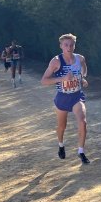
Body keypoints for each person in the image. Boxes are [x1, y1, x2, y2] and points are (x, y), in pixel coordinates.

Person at [41, 33, 90, 164]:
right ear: (61, 46)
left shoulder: (80, 58)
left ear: (74, 45)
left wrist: (83, 78)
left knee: (82, 122)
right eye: (66, 45)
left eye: (71, 45)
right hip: (62, 97)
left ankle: (81, 151)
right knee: (62, 126)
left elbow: (84, 70)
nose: (69, 47)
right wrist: (61, 78)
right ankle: (61, 145)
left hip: (76, 96)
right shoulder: (56, 61)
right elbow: (44, 81)